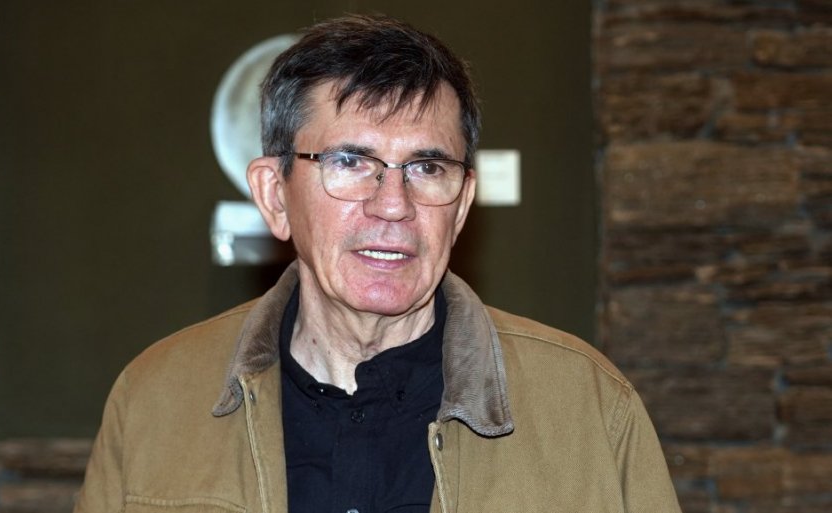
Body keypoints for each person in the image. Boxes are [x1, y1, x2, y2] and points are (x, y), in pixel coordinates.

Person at [75, 14, 681, 513]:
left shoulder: (590, 409)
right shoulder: (154, 400)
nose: (394, 204)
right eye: (350, 162)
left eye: (427, 167)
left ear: (461, 204)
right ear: (275, 195)